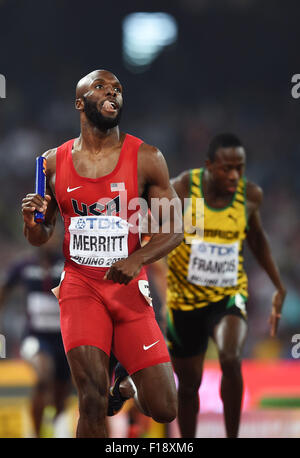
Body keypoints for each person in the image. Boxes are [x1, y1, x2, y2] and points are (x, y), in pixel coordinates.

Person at [21, 69, 183, 438]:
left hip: (127, 286)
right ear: (80, 103)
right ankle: (105, 394)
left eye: (118, 89)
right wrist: (33, 223)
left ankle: (123, 387)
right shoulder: (51, 163)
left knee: (165, 407)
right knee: (91, 402)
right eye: (100, 87)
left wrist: (137, 259)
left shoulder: (147, 158)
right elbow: (40, 235)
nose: (112, 92)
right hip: (81, 288)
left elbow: (174, 228)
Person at [165, 133, 286, 438]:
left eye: (240, 168)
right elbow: (155, 231)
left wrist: (278, 286)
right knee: (189, 385)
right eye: (226, 168)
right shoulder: (182, 188)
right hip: (184, 301)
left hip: (228, 295)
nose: (234, 175)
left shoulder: (250, 196)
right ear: (208, 166)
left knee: (230, 357)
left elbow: (256, 239)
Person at [0, 236, 72, 437]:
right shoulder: (24, 265)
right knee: (42, 376)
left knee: (60, 393)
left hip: (64, 339)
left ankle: (58, 425)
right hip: (35, 337)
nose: (48, 241)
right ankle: (36, 433)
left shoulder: (67, 265)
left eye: (52, 236)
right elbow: (4, 291)